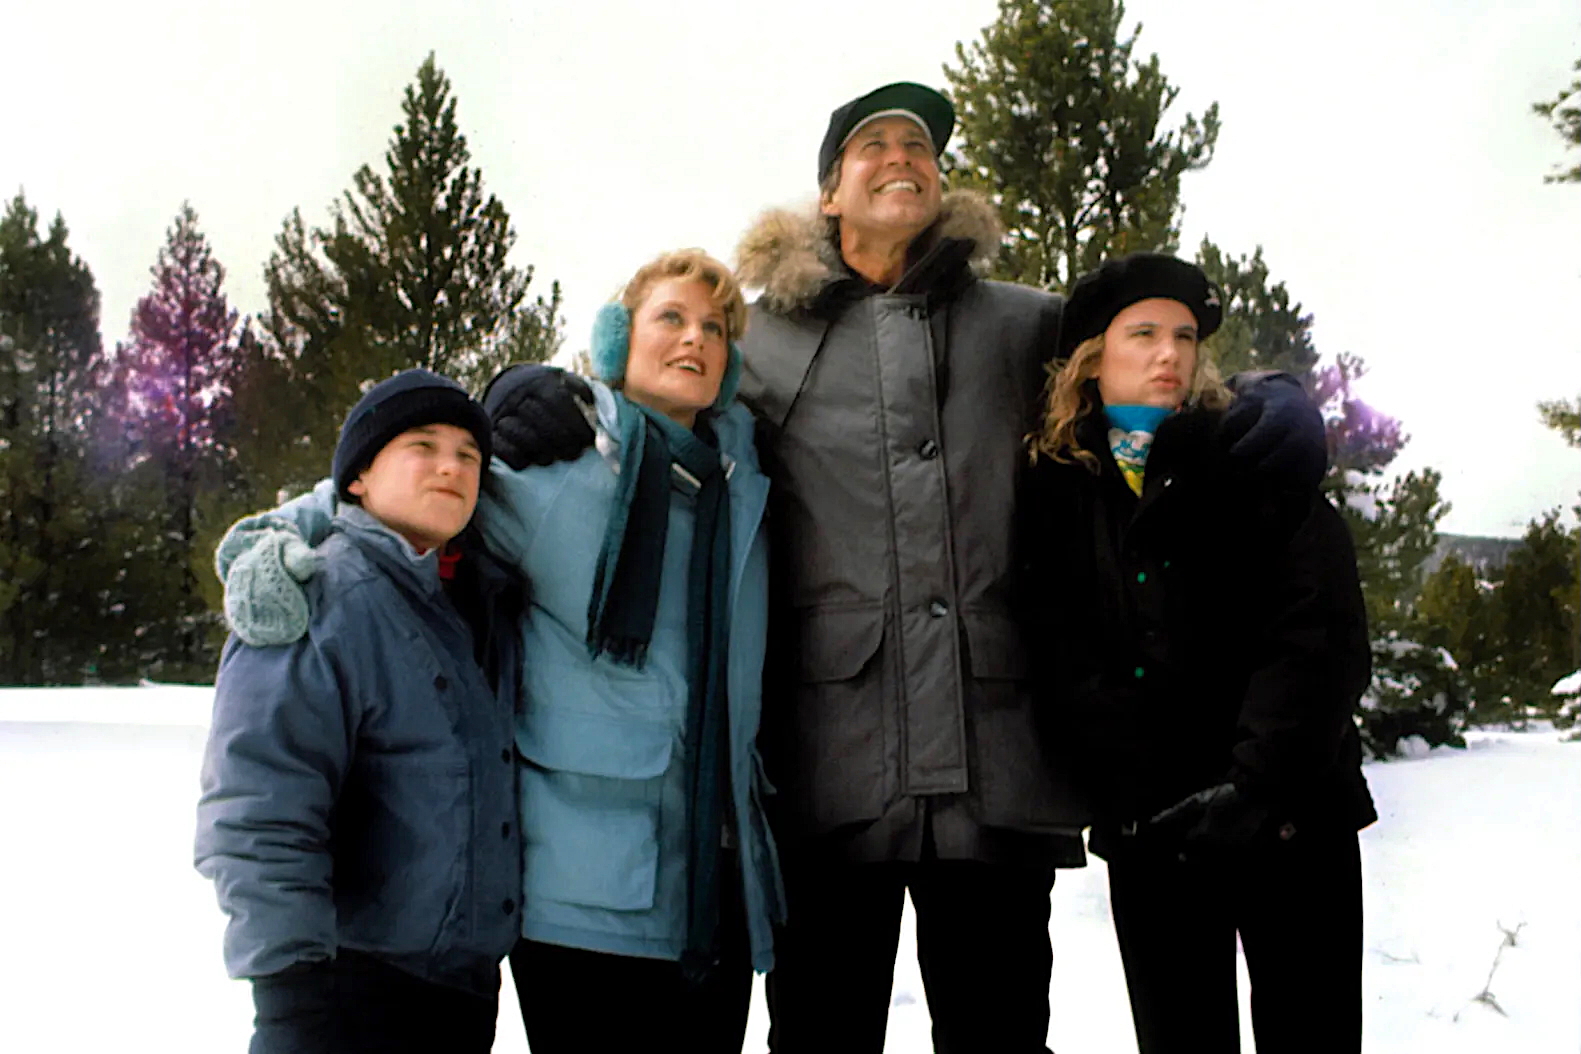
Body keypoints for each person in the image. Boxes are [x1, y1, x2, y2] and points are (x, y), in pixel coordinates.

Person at [484, 82, 1329, 1053]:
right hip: (828, 771)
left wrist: (1272, 397)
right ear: (829, 191)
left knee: (1001, 1029)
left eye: (920, 145)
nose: (901, 157)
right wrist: (526, 386)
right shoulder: (758, 339)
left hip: (994, 761)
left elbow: (1144, 353)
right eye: (873, 144)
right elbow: (645, 400)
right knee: (824, 1031)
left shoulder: (1025, 324)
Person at [216, 249, 784, 1053]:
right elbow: (395, 486)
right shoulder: (556, 473)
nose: (694, 338)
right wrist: (275, 539)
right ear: (618, 337)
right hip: (586, 889)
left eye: (715, 327)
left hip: (717, 892)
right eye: (671, 317)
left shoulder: (747, 490)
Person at [1020, 253, 1377, 1054]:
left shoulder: (1251, 454)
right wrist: (1128, 791)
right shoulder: (1055, 485)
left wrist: (1254, 784)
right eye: (1141, 334)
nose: (1168, 354)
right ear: (1090, 356)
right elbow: (1059, 653)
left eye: (1182, 336)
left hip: (1290, 820)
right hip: (1155, 836)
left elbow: (1319, 636)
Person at [195, 369, 525, 1054]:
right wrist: (291, 996)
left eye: (468, 454)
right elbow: (259, 808)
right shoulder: (315, 594)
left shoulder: (466, 602)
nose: (450, 466)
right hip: (346, 993)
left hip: (455, 994)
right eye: (422, 445)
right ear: (357, 478)